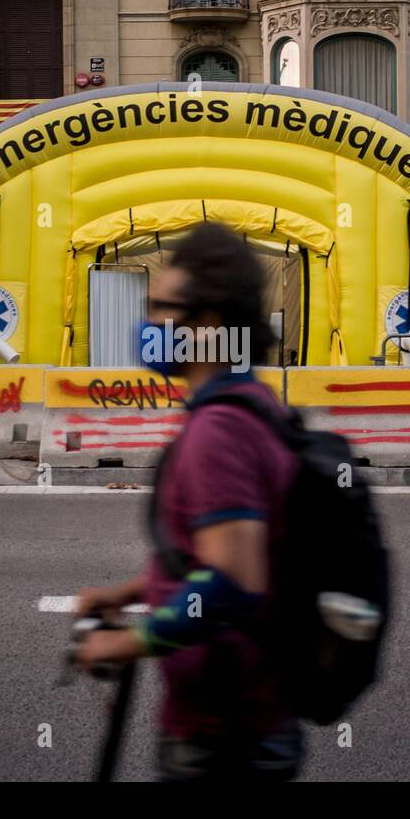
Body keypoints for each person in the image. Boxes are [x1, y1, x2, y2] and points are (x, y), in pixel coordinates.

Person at [73, 223, 303, 781]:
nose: (148, 323)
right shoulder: (251, 401)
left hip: (223, 740)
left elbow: (230, 583)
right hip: (246, 723)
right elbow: (213, 556)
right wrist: (127, 593)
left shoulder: (218, 431)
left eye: (162, 308)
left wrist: (129, 642)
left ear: (210, 326)